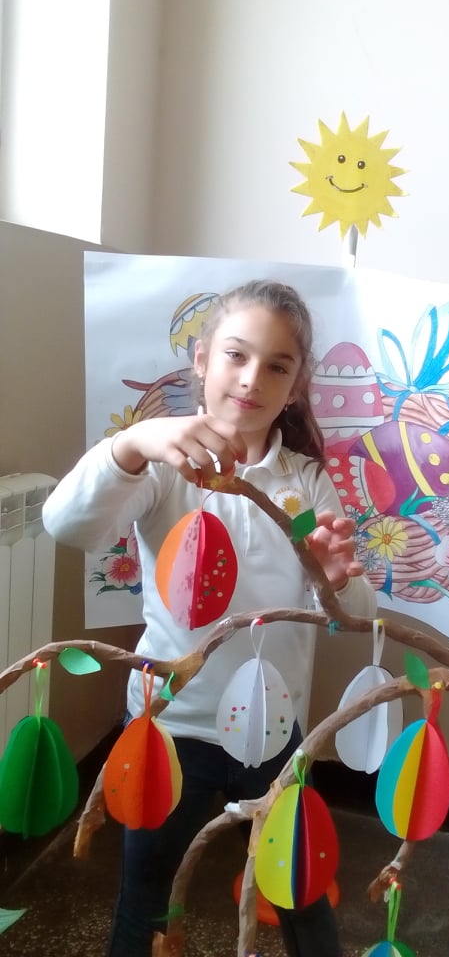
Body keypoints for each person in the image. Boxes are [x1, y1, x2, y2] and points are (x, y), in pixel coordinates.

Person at [43, 279, 377, 957]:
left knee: (301, 893)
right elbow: (66, 525)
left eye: (277, 366)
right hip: (170, 730)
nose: (252, 379)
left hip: (275, 731)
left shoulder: (304, 482)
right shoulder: (164, 467)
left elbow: (352, 616)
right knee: (146, 901)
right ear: (201, 360)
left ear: (296, 386)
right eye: (236, 355)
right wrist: (134, 443)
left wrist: (336, 580)